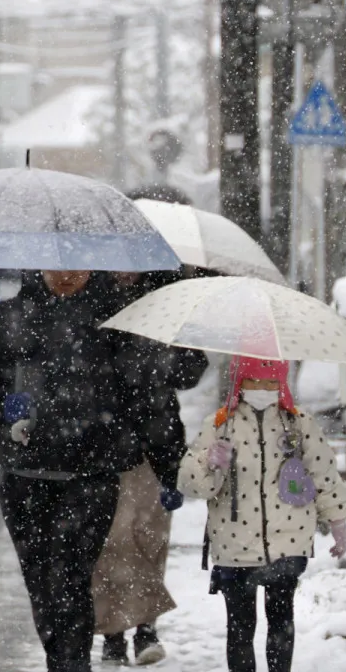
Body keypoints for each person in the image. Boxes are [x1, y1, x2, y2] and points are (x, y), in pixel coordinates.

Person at [0, 268, 174, 672]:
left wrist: (160, 458)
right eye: (56, 264)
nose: (66, 274)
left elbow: (146, 394)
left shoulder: (116, 318)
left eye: (77, 264)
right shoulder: (11, 316)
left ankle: (72, 665)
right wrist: (2, 413)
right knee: (41, 585)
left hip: (89, 479)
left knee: (72, 580)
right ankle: (62, 661)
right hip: (24, 477)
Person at [178, 357, 346, 672]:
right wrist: (207, 461)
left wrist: (338, 520)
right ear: (240, 383)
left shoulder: (299, 423)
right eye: (254, 381)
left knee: (281, 620)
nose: (263, 389)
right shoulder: (220, 424)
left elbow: (324, 474)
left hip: (288, 540)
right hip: (234, 541)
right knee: (240, 626)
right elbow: (192, 484)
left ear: (282, 384)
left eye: (271, 382)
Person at [94, 274, 210, 667]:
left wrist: (166, 354)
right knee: (112, 543)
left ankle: (145, 629)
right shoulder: (95, 299)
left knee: (150, 540)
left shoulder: (169, 299)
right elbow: (86, 370)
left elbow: (191, 371)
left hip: (159, 445)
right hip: (107, 445)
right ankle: (113, 634)